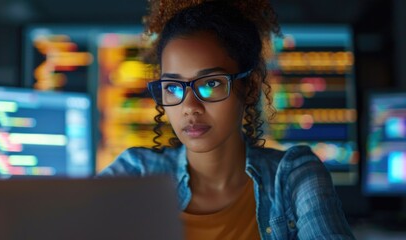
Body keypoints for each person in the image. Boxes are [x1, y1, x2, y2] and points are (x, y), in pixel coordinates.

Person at [98, 0, 355, 239]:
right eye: (174, 87)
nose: (190, 107)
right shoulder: (136, 172)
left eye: (211, 83)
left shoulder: (293, 178)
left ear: (250, 86)